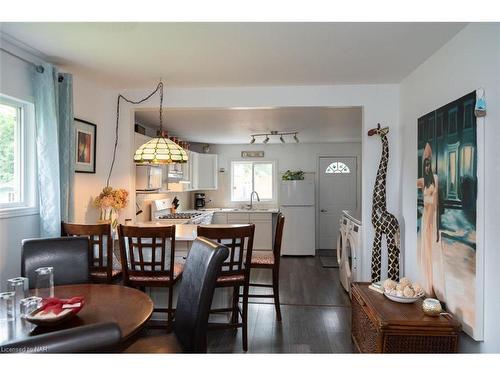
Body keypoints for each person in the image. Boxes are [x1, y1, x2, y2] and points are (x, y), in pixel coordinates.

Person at [417, 143, 445, 300]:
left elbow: (439, 203)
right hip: (425, 219)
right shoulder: (423, 181)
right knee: (425, 252)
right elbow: (409, 182)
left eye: (428, 164)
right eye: (424, 165)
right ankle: (427, 287)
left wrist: (438, 225)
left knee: (433, 253)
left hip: (433, 220)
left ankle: (436, 289)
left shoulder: (435, 179)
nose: (427, 167)